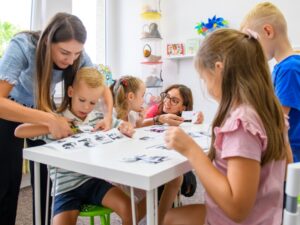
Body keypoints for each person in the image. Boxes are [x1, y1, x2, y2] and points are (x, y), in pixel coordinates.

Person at [163, 29, 292, 225]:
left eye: (205, 79)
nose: (206, 87)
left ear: (218, 69)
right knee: (169, 217)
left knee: (165, 220)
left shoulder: (242, 124)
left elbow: (237, 208)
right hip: (266, 216)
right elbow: (287, 167)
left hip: (238, 220)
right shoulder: (272, 112)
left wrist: (191, 150)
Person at [0, 12, 113, 225]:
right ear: (47, 41)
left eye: (76, 54)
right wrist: (49, 119)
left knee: (47, 182)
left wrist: (108, 116)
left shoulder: (76, 54)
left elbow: (102, 85)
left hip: (41, 111)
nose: (71, 60)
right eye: (64, 53)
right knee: (6, 183)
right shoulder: (23, 45)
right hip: (9, 112)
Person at [15, 67, 141, 225]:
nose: (87, 107)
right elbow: (19, 131)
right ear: (70, 92)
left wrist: (126, 127)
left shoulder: (96, 118)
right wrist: (50, 126)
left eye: (92, 102)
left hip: (93, 181)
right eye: (82, 100)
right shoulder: (56, 119)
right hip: (65, 189)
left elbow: (124, 124)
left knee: (130, 209)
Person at [110, 75, 183, 224]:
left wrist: (140, 121)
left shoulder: (131, 115)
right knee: (157, 187)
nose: (143, 100)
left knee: (176, 177)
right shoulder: (112, 117)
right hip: (119, 171)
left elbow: (135, 134)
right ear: (131, 96)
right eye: (142, 96)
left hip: (133, 163)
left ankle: (159, 221)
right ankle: (139, 219)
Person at [240, 2, 300, 162]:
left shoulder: (289, 69)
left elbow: (278, 120)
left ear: (268, 31)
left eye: (253, 41)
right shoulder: (283, 67)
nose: (252, 49)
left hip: (293, 155)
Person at [144, 84, 203, 198]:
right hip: (153, 156)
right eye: (167, 96)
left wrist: (199, 118)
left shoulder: (184, 118)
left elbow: (194, 125)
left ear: (183, 108)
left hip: (174, 158)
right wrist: (157, 119)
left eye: (174, 101)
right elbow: (140, 123)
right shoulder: (156, 110)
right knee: (165, 182)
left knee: (189, 186)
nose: (167, 102)